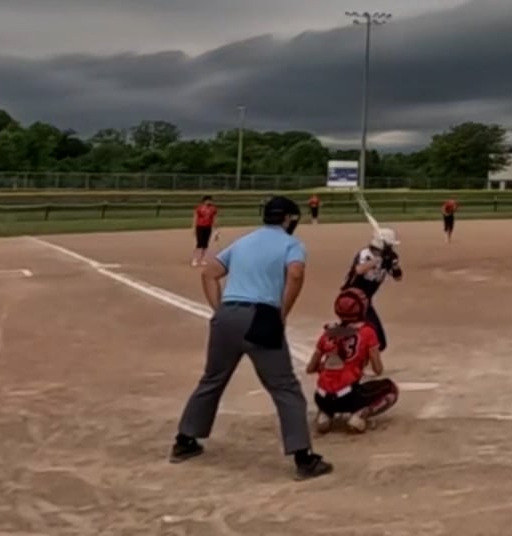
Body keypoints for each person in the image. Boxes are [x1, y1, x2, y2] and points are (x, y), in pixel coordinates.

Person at [171, 196, 331, 480]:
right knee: (285, 387)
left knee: (212, 379)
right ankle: (304, 458)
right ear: (288, 219)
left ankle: (184, 441)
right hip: (261, 317)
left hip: (227, 316)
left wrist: (220, 311)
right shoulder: (291, 244)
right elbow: (295, 274)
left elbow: (210, 274)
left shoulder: (244, 241)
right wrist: (282, 313)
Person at [307, 288, 400, 434]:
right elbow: (378, 369)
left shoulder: (329, 332)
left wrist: (326, 367)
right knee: (390, 388)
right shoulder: (368, 332)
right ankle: (359, 415)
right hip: (348, 397)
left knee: (328, 390)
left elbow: (310, 369)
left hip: (321, 397)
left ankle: (325, 415)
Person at [342, 228, 402, 353]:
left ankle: (354, 356)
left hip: (366, 302)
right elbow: (359, 270)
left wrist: (394, 265)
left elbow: (398, 278)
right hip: (351, 300)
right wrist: (378, 260)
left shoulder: (389, 257)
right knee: (368, 338)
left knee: (380, 343)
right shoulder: (365, 254)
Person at [191, 196, 219, 267]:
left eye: (210, 200)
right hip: (200, 227)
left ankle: (202, 259)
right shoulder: (199, 208)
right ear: (204, 201)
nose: (209, 202)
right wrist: (193, 228)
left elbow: (214, 219)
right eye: (208, 200)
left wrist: (216, 230)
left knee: (205, 244)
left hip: (208, 227)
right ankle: (195, 259)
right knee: (199, 243)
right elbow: (195, 218)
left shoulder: (213, 209)